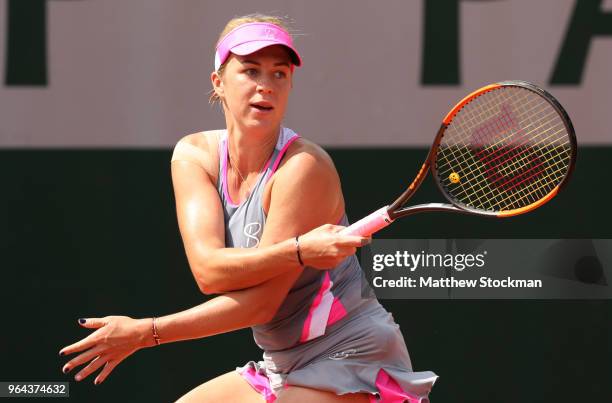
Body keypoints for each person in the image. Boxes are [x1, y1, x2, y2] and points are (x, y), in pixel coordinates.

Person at [59, 14, 438, 403]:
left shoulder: (303, 167)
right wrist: (298, 252)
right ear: (218, 82)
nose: (266, 86)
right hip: (281, 362)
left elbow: (260, 304)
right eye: (251, 70)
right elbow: (209, 271)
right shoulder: (195, 155)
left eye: (279, 74)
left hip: (353, 354)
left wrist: (146, 333)